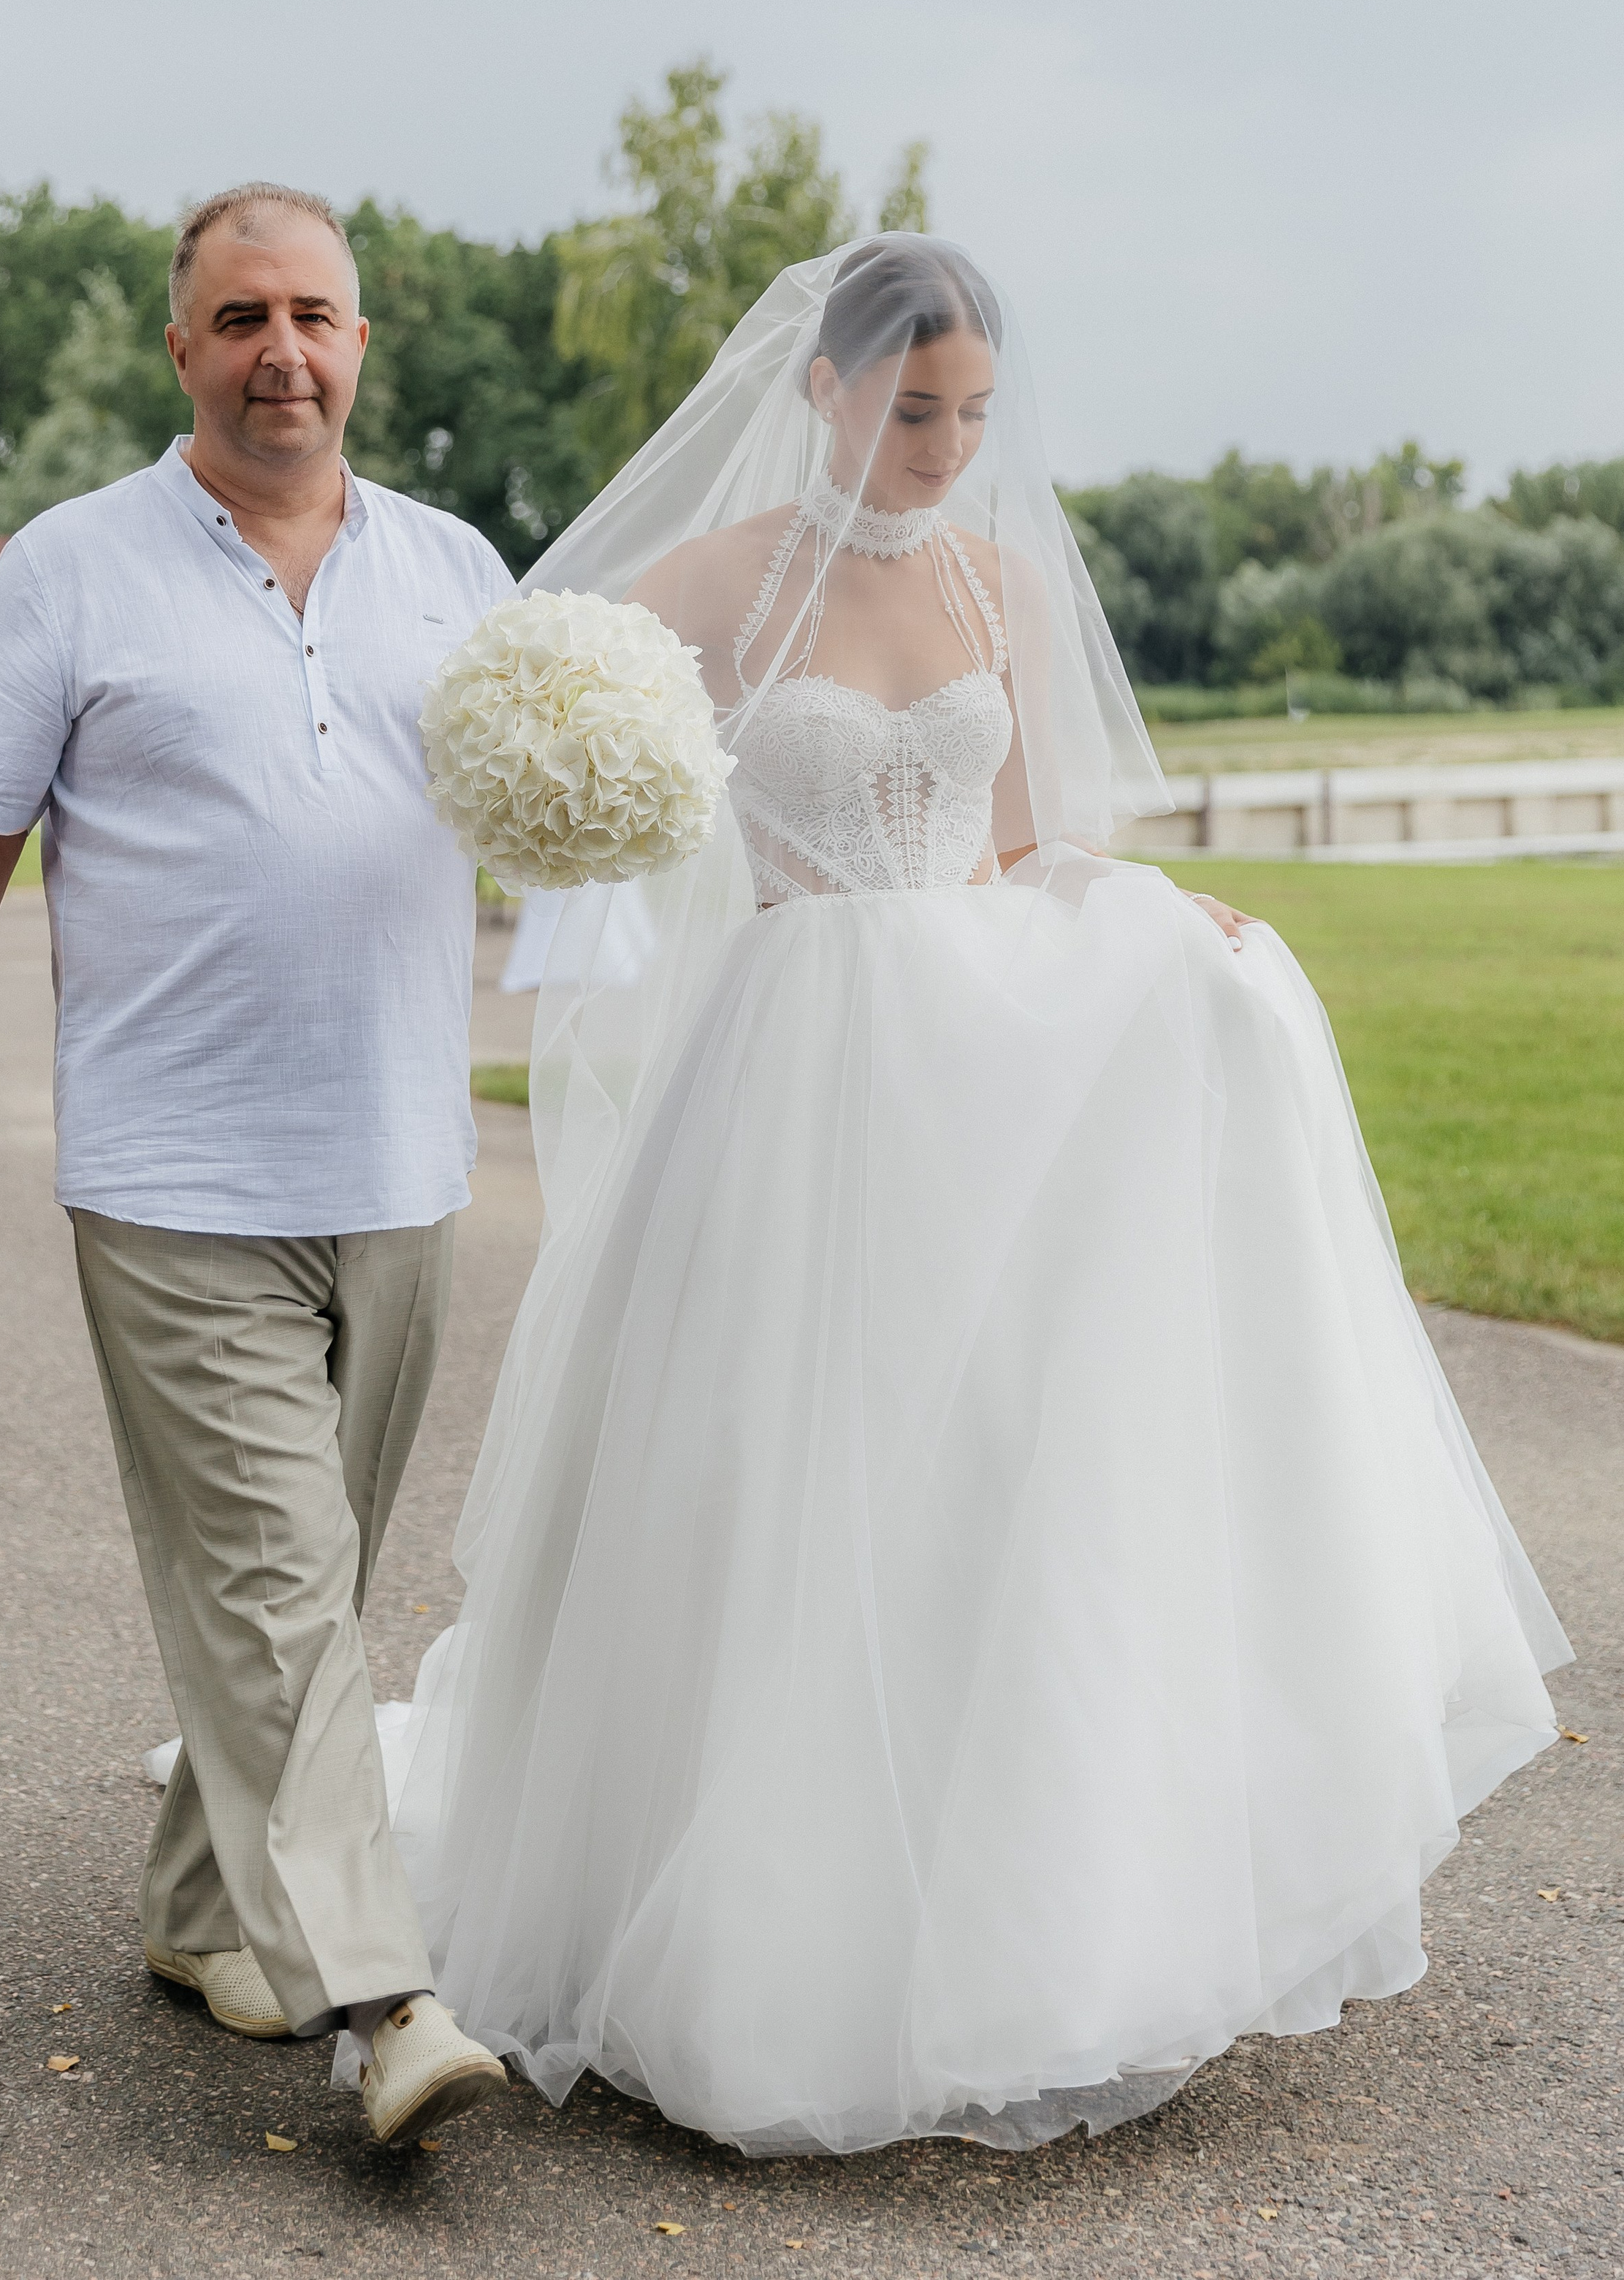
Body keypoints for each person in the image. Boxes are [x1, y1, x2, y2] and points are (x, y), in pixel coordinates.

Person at [377, 235, 1571, 2157]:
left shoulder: (995, 577)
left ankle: (1016, 1910)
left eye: (974, 415)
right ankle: (756, 1928)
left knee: (1002, 1476)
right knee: (791, 1476)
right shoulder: (700, 587)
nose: (944, 445)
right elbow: (545, 739)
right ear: (828, 391)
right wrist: (557, 798)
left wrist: (1165, 918)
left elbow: (1027, 845)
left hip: (988, 1058)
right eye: (915, 406)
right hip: (800, 1064)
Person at [0, 183, 515, 2149]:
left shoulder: (461, 569)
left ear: (362, 343)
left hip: (402, 1159)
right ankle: (384, 1998)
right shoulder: (74, 570)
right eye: (240, 318)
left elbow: (553, 827)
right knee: (278, 1575)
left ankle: (194, 1906)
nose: (282, 353)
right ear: (183, 350)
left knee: (297, 1587)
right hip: (171, 1171)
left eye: (314, 314)